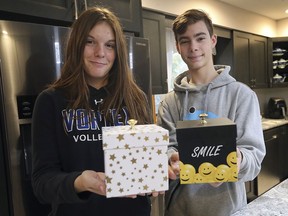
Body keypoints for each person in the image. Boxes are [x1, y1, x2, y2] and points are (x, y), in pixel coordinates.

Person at [31, 7, 157, 216]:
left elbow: (145, 168)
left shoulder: (136, 99)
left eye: (110, 45)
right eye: (90, 42)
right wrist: (80, 182)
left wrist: (159, 172)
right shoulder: (51, 101)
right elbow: (42, 184)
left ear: (118, 53)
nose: (100, 52)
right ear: (77, 45)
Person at [157, 9, 266, 216]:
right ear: (177, 47)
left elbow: (254, 160)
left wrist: (237, 159)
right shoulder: (169, 102)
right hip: (180, 210)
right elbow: (166, 148)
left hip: (228, 210)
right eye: (185, 41)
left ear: (213, 41)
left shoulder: (242, 95)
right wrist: (171, 159)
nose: (194, 47)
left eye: (200, 38)